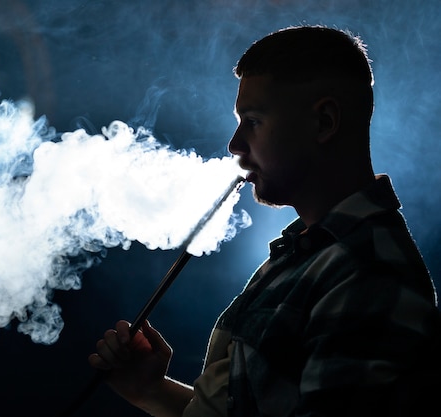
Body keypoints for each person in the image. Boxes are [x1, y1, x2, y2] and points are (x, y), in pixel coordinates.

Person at [87, 25, 441, 417]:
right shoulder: (304, 253)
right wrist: (149, 391)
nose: (235, 144)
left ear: (324, 122)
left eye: (253, 121)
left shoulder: (367, 272)